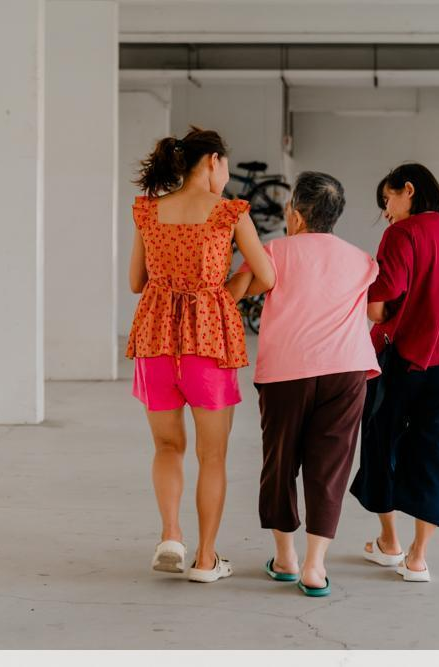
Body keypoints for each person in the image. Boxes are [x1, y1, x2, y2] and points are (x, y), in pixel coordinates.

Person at [126, 126, 274, 583]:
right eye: (225, 165)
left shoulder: (149, 212)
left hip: (155, 338)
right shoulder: (229, 212)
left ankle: (171, 535)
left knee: (167, 446)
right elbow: (266, 276)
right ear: (213, 161)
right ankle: (206, 559)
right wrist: (225, 290)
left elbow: (137, 282)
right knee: (213, 457)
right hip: (208, 342)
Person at [229, 172, 380, 597]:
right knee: (329, 466)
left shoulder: (273, 251)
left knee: (280, 462)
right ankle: (315, 567)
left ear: (294, 214)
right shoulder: (362, 260)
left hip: (285, 374)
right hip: (347, 371)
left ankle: (286, 558)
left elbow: (239, 290)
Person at [349, 162, 439, 583]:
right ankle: (419, 558)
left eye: (387, 200)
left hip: (401, 360)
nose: (386, 211)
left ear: (409, 190)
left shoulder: (402, 234)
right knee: (434, 452)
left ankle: (389, 542)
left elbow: (379, 302)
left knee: (380, 442)